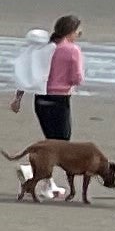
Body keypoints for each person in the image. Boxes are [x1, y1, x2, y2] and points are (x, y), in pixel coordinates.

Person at [12, 13, 87, 143]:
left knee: (50, 140)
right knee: (62, 142)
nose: (78, 35)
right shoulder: (72, 50)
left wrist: (18, 98)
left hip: (40, 97)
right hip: (59, 98)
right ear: (71, 32)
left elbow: (26, 73)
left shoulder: (43, 47)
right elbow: (77, 78)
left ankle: (43, 162)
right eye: (78, 32)